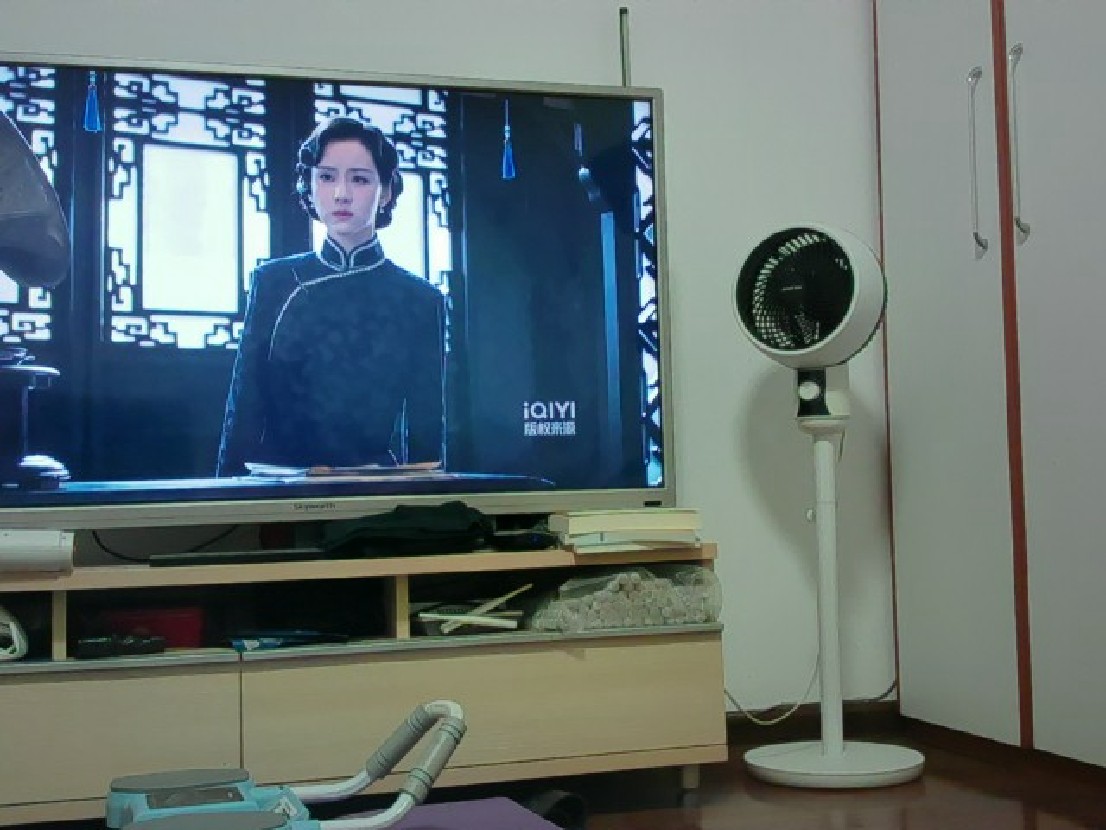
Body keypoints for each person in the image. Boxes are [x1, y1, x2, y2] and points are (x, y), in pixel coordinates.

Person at [216, 116, 446, 476]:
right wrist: (230, 494)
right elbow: (243, 406)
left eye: (359, 179)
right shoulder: (274, 281)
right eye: (326, 177)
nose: (341, 193)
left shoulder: (420, 298)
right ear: (309, 187)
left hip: (373, 488)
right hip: (279, 486)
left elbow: (425, 428)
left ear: (386, 192)